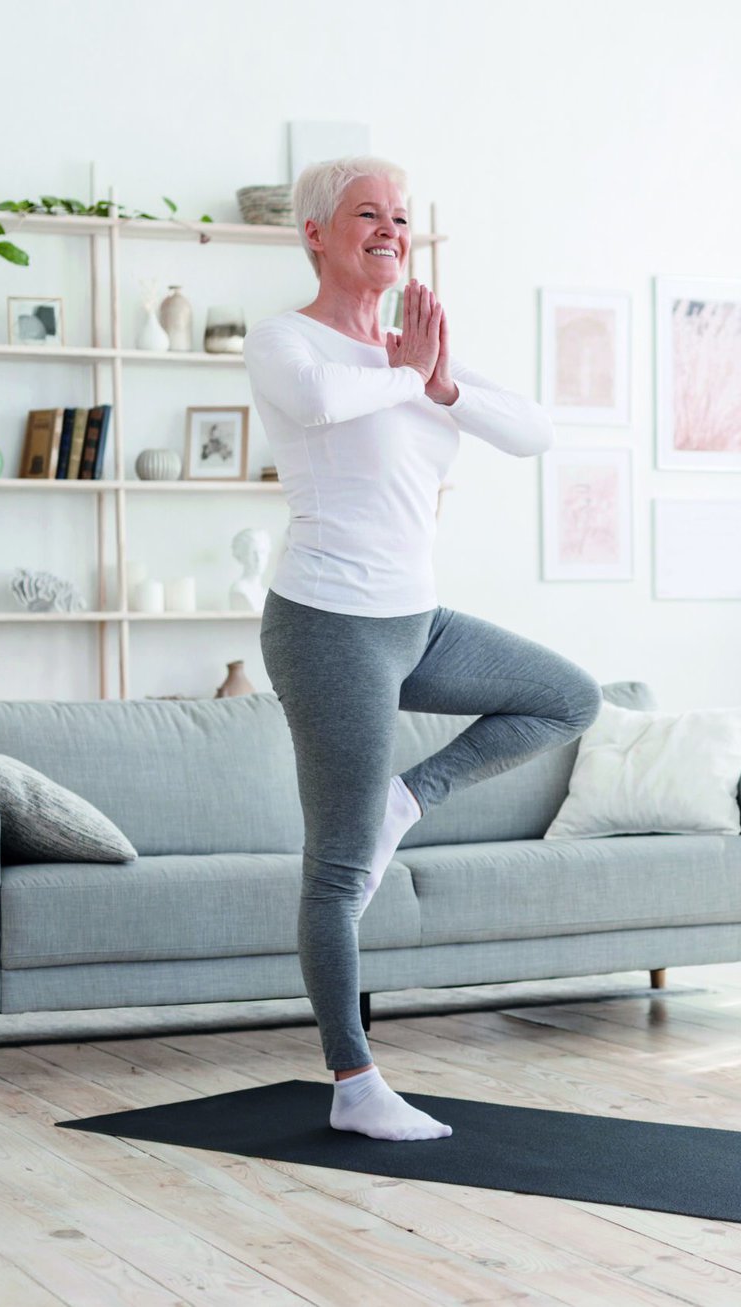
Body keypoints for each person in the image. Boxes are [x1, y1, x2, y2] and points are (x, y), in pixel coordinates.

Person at [248, 156, 602, 1141]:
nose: (390, 229)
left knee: (566, 696)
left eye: (401, 216)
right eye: (368, 213)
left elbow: (532, 433)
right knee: (337, 864)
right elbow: (321, 404)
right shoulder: (286, 341)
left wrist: (439, 381)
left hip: (418, 619)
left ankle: (416, 795)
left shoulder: (416, 351)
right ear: (315, 233)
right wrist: (405, 373)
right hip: (327, 625)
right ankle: (354, 1081)